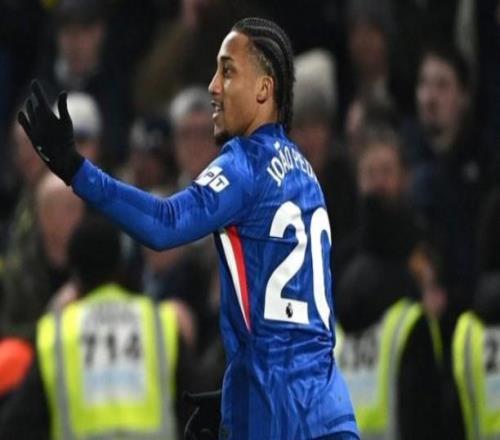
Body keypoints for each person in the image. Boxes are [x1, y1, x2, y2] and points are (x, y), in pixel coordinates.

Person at [18, 17, 359, 439]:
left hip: (277, 414)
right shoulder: (305, 172)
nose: (213, 86)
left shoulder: (244, 164)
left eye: (228, 71)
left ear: (263, 89)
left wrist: (77, 171)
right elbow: (298, 324)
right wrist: (236, 397)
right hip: (329, 408)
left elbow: (165, 224)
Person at [0, 215, 194, 440]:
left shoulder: (57, 333)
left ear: (75, 274)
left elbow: (16, 426)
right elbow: (196, 406)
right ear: (120, 263)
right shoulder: (159, 323)